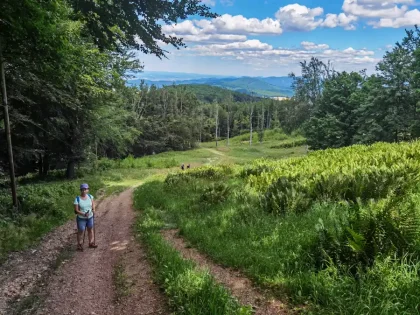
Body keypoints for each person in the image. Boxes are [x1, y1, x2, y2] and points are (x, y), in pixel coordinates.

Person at [74, 183, 97, 251]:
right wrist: (83, 214)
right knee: (81, 230)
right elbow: (76, 210)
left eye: (85, 189)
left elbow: (93, 204)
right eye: (82, 190)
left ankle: (91, 243)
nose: (84, 191)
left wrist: (94, 209)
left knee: (90, 229)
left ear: (88, 190)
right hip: (81, 218)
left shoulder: (90, 196)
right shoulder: (77, 199)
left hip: (90, 216)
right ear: (80, 190)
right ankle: (79, 245)